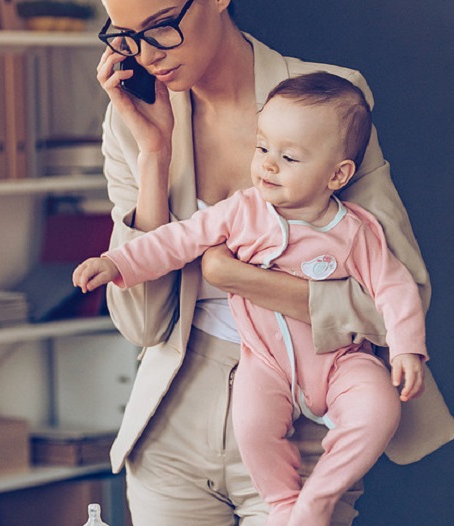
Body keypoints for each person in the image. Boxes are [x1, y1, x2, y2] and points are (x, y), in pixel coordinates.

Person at [91, 0, 454, 526]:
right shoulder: (131, 125)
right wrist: (153, 156)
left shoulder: (332, 100)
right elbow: (144, 326)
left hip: (305, 424)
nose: (145, 55)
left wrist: (242, 280)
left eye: (159, 28)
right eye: (124, 37)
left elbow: (397, 297)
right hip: (172, 427)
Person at [76, 72, 427, 525]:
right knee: (252, 424)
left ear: (337, 174)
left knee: (379, 408)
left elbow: (394, 287)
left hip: (341, 360)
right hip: (264, 362)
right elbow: (176, 240)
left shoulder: (354, 230)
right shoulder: (243, 211)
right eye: (262, 149)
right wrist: (118, 263)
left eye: (289, 157)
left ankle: (316, 500)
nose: (267, 165)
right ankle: (283, 504)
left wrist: (406, 349)